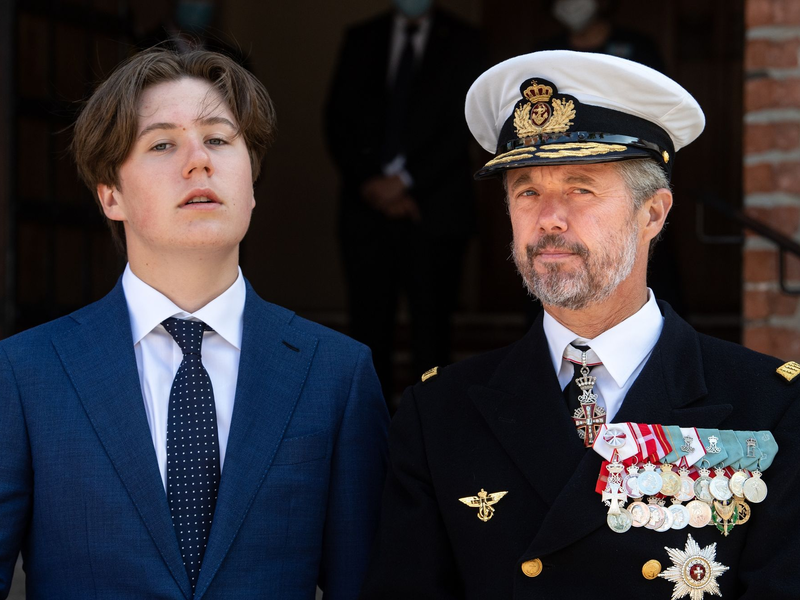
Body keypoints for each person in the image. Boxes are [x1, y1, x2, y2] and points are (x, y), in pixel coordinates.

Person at [360, 51, 800, 598]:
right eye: (527, 191)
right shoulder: (440, 413)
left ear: (653, 213)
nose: (549, 218)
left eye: (580, 187)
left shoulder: (772, 405)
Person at [0, 49, 389, 599]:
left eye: (219, 139)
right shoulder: (24, 373)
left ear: (252, 185)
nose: (198, 161)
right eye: (162, 143)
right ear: (110, 195)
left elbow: (364, 583)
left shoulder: (337, 373)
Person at [325, 0, 484, 404]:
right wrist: (373, 184)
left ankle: (430, 429)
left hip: (435, 212)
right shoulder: (361, 38)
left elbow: (464, 124)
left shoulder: (465, 41)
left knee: (432, 331)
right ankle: (366, 430)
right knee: (367, 328)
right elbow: (337, 120)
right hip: (367, 212)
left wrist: (406, 182)